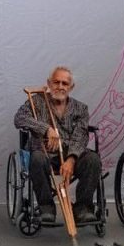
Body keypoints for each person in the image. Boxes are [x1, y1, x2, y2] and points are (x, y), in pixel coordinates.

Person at [13, 66, 101, 225]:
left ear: (71, 87)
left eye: (65, 83)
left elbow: (80, 136)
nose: (60, 86)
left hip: (70, 154)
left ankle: (83, 208)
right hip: (43, 153)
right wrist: (46, 129)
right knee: (36, 159)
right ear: (48, 83)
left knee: (93, 159)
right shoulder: (36, 101)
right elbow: (19, 118)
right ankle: (46, 207)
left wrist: (71, 160)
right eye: (56, 82)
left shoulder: (80, 108)